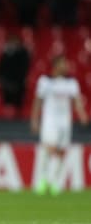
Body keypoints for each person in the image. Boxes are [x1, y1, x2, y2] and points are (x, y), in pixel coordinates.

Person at [30, 55, 88, 195]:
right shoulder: (45, 82)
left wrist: (82, 114)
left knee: (61, 152)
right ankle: (43, 180)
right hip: (50, 121)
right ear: (56, 66)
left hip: (64, 123)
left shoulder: (71, 83)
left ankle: (55, 181)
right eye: (63, 63)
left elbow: (76, 100)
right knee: (49, 149)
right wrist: (34, 120)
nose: (66, 66)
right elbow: (38, 101)